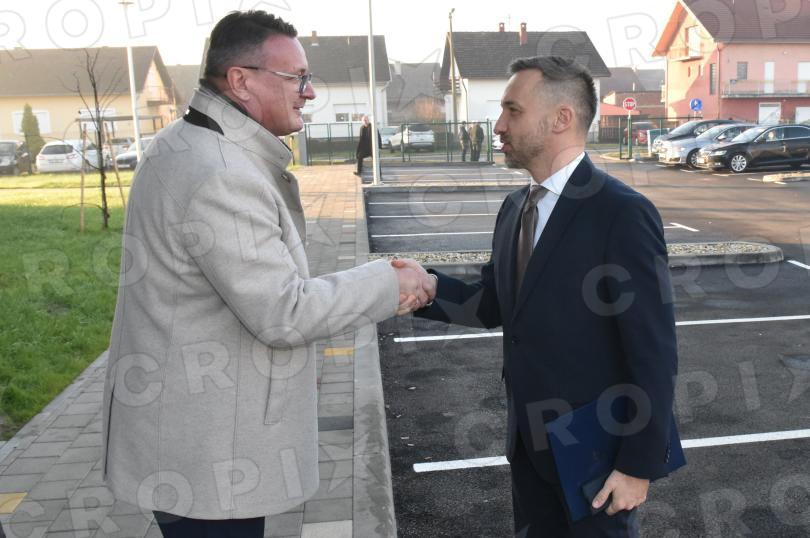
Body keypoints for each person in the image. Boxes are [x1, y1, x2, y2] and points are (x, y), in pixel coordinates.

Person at [101, 11, 433, 538]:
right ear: (240, 80)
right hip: (209, 459)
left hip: (194, 441)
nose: (310, 92)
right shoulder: (220, 173)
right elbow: (283, 312)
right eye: (296, 78)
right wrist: (390, 281)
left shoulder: (190, 144)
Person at [398, 56, 680, 537]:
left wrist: (638, 465)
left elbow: (653, 351)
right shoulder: (515, 208)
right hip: (529, 445)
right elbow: (494, 304)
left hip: (596, 452)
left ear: (561, 118)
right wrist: (427, 286)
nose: (498, 125)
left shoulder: (621, 213)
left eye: (513, 110)